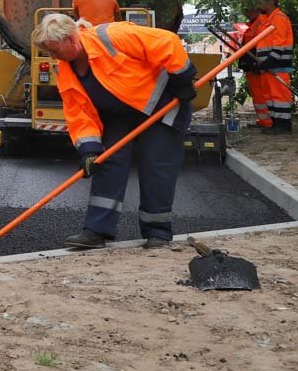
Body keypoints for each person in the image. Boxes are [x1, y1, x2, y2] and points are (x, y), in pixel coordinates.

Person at [33, 13, 197, 250]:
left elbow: (167, 42)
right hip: (120, 114)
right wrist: (89, 149)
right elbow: (78, 112)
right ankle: (96, 231)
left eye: (55, 50)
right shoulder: (66, 68)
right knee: (107, 162)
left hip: (161, 107)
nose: (53, 56)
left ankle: (157, 232)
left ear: (71, 39)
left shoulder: (111, 36)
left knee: (156, 166)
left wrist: (182, 79)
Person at [254, 0, 294, 133]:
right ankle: (276, 123)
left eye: (261, 2)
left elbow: (280, 43)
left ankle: (283, 124)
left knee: (279, 96)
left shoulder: (278, 18)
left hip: (278, 64)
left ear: (270, 2)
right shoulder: (267, 19)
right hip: (269, 65)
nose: (259, 5)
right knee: (270, 96)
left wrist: (270, 60)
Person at [238, 5, 271, 128]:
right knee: (257, 94)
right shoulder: (254, 24)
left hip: (256, 65)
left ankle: (267, 121)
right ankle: (263, 120)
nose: (246, 13)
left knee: (261, 94)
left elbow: (262, 44)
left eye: (248, 9)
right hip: (251, 66)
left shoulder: (261, 23)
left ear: (257, 9)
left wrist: (259, 62)